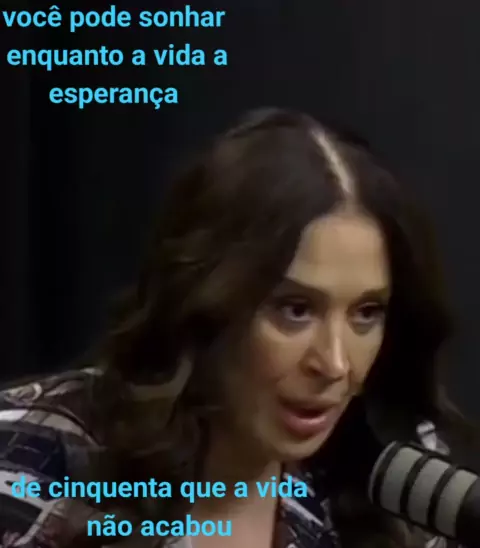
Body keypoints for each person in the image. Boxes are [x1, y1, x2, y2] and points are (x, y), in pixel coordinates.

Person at [0, 108, 474, 548]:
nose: (334, 364)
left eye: (366, 313)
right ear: (206, 303)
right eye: (295, 309)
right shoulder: (28, 464)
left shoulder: (402, 488)